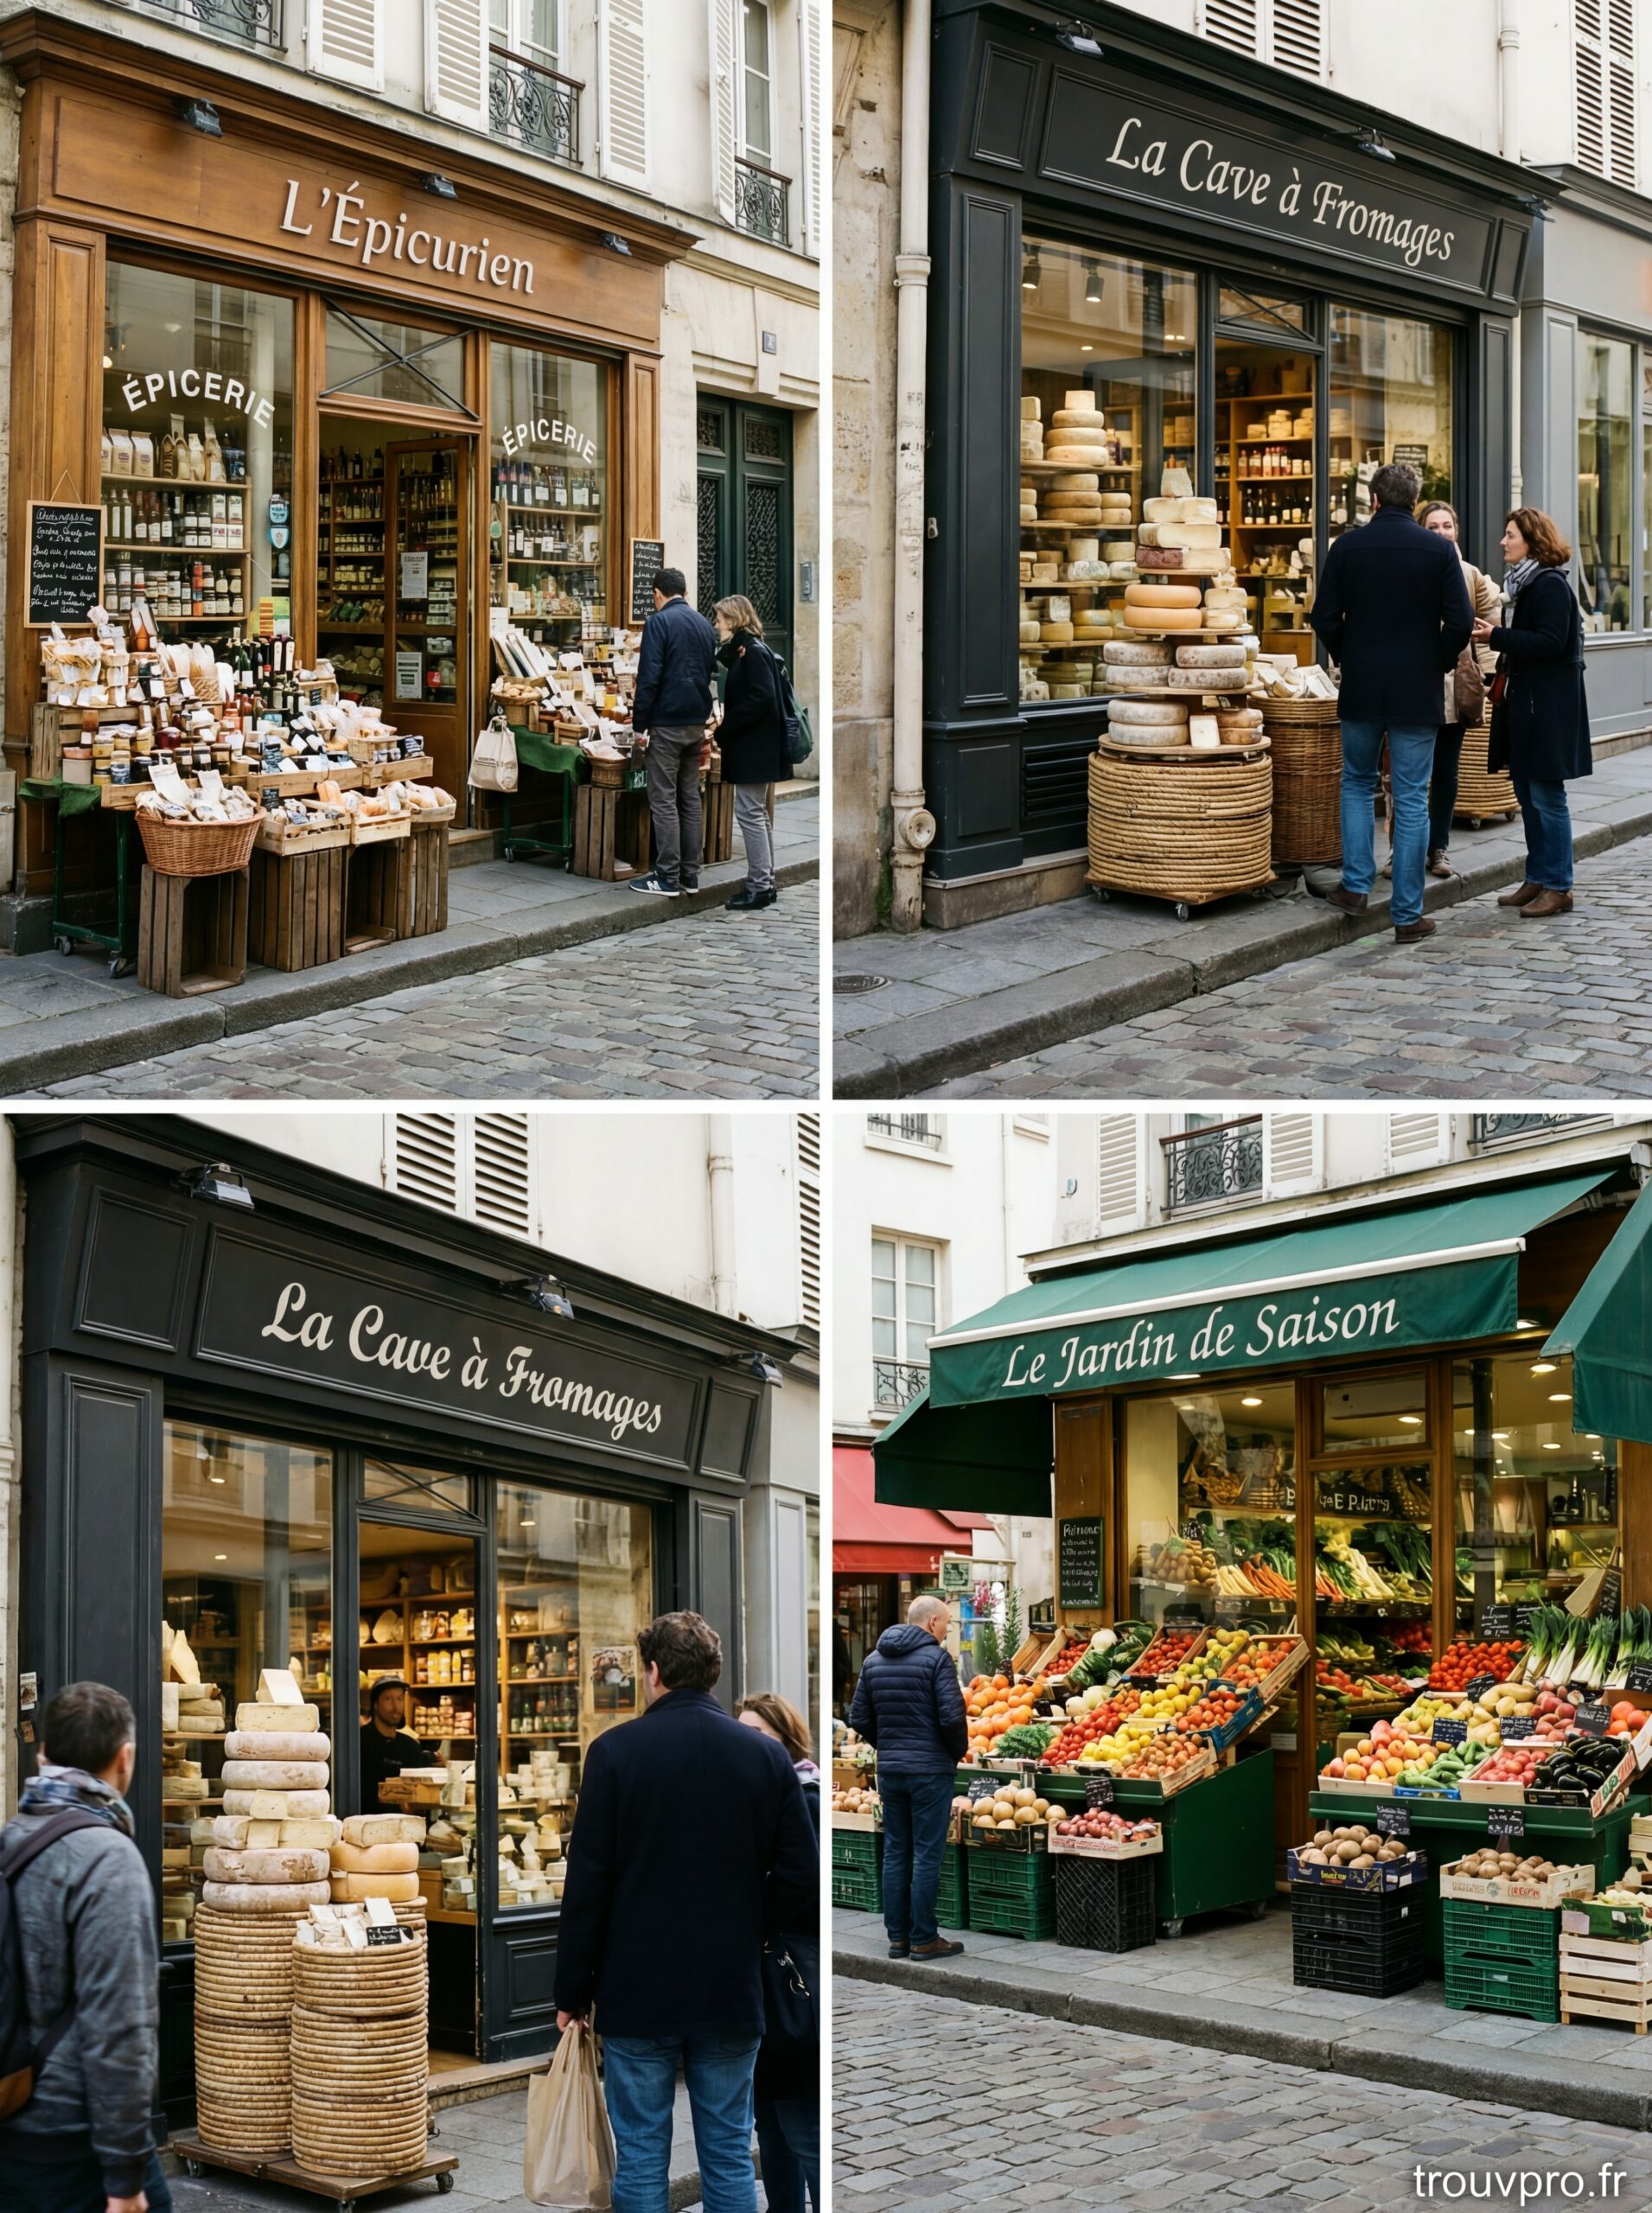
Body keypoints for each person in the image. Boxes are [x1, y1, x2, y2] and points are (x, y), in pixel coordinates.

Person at [555, 1613, 816, 2213]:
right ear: (712, 1674)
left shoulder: (615, 1752)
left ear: (652, 1672)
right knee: (726, 2151)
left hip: (635, 1985)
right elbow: (800, 1872)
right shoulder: (763, 1756)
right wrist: (752, 1924)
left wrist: (572, 1988)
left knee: (642, 2154)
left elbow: (588, 1882)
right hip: (728, 1981)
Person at [0, 1681, 169, 2213]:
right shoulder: (107, 1859)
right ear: (126, 1758)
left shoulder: (12, 1835)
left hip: (13, 2117)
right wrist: (125, 2179)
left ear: (42, 1754)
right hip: (76, 2142)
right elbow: (119, 2026)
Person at [1308, 460, 1475, 944]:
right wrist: (1437, 662)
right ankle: (1406, 914)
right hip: (1416, 691)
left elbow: (1324, 616)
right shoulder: (1438, 550)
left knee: (1357, 783)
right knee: (1412, 796)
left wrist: (1347, 654)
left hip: (1362, 686)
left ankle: (1356, 888)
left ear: (1374, 500)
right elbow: (1460, 623)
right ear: (1415, 502)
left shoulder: (1348, 547)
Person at [1476, 507, 1591, 920]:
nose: (1503, 542)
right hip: (1529, 707)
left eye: (1510, 535)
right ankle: (1538, 877)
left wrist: (1496, 635)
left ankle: (1559, 885)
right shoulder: (1527, 585)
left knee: (1547, 797)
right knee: (1528, 794)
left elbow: (1550, 642)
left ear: (1532, 540)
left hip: (1548, 710)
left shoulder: (1549, 585)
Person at [846, 1593, 968, 1963]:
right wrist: (955, 1751)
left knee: (896, 1851)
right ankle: (924, 1938)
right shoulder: (937, 1659)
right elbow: (951, 1718)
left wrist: (889, 1744)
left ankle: (897, 1938)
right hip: (930, 1771)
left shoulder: (873, 1660)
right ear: (932, 1623)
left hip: (892, 1772)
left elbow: (859, 1717)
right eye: (947, 1622)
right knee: (927, 1855)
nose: (948, 1630)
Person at [736, 1695, 820, 2213]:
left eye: (758, 1734)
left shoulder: (804, 1797)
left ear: (785, 1742)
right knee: (770, 2124)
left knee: (799, 2124)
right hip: (761, 1982)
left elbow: (799, 1887)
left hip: (792, 1978)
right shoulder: (753, 1797)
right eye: (740, 1733)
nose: (747, 1744)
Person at [1417, 501, 1501, 879]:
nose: (1440, 533)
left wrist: (1486, 675)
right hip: (1414, 684)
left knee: (1447, 770)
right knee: (1408, 773)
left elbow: (1490, 625)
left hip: (1455, 686)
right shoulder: (1410, 570)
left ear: (1457, 531)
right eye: (1431, 526)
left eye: (1446, 526)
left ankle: (1439, 849)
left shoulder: (1470, 575)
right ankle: (1405, 849)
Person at [630, 567, 718, 900]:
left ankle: (667, 877)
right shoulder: (703, 624)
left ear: (657, 594)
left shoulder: (658, 623)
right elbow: (710, 673)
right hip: (696, 721)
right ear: (684, 592)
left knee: (664, 798)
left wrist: (640, 724)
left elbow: (649, 675)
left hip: (667, 723)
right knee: (690, 798)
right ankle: (690, 875)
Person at [712, 595, 793, 912]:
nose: (716, 624)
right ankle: (766, 882)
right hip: (755, 747)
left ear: (733, 619)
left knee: (749, 813)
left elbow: (763, 700)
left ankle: (760, 886)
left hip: (754, 748)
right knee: (757, 814)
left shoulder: (754, 653)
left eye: (720, 618)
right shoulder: (748, 650)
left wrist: (727, 726)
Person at [358, 1675, 422, 1812]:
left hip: (404, 1826)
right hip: (365, 1824)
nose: (396, 1707)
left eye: (399, 1699)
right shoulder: (359, 1742)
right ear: (375, 1704)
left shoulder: (411, 1747)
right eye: (388, 1699)